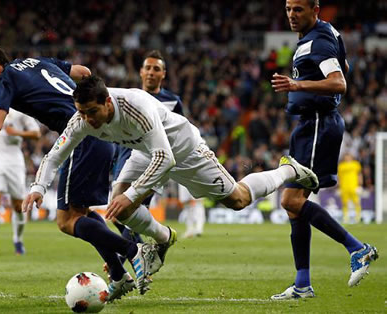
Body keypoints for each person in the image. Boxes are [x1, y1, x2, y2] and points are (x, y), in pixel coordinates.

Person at [23, 76, 320, 280]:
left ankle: (288, 170)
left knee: (238, 199)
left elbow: (166, 158)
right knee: (120, 205)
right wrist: (38, 186)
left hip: (182, 149)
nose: (87, 119)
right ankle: (162, 240)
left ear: (108, 103)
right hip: (145, 150)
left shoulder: (135, 108)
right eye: (82, 113)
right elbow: (55, 155)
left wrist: (132, 194)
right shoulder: (81, 119)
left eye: (91, 112)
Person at [0, 41, 161, 298]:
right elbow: (84, 72)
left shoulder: (3, 79)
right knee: (80, 213)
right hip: (100, 132)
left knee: (66, 221)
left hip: (80, 137)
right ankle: (119, 276)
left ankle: (134, 251)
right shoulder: (38, 62)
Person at [270, 0, 378, 300]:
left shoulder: (317, 40)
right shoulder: (324, 34)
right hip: (309, 126)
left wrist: (297, 86)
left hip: (318, 124)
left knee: (290, 200)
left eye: (298, 10)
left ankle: (358, 248)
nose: (291, 15)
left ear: (314, 10)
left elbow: (339, 82)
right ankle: (302, 283)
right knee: (294, 207)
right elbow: (343, 65)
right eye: (288, 9)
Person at [110, 50, 184, 262]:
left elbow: (180, 132)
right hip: (125, 158)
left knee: (127, 210)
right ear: (141, 72)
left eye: (156, 69)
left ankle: (128, 259)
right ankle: (141, 252)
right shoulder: (128, 96)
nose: (151, 72)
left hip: (153, 161)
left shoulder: (172, 101)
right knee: (117, 213)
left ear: (164, 74)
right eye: (148, 68)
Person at [0, 103, 41, 255]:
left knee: (18, 204)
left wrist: (17, 133)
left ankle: (18, 240)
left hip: (14, 158)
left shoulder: (20, 109)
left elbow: (36, 133)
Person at [338, 152, 362, 224]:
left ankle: (358, 217)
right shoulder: (341, 166)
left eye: (348, 156)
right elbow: (339, 177)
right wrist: (338, 186)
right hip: (344, 187)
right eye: (346, 156)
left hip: (354, 186)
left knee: (356, 202)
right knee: (345, 203)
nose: (347, 158)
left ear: (351, 157)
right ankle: (346, 217)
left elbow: (359, 174)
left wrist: (360, 184)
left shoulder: (356, 164)